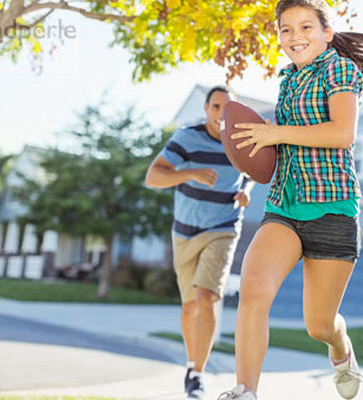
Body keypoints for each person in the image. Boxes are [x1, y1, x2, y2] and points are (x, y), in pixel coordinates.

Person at [216, 1, 363, 399]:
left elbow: (341, 134)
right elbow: (278, 146)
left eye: (305, 27)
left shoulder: (340, 69)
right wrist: (254, 148)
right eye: (285, 30)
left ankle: (341, 348)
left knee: (318, 325)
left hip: (332, 208)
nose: (294, 36)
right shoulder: (288, 80)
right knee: (253, 290)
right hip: (283, 206)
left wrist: (275, 133)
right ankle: (245, 390)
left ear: (326, 33)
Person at [144, 86, 254, 399]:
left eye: (227, 108)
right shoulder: (186, 138)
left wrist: (247, 191)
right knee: (190, 304)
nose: (222, 114)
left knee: (206, 296)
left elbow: (252, 171)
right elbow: (153, 177)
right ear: (206, 108)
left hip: (223, 226)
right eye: (216, 107)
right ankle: (192, 364)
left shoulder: (240, 139)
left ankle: (198, 374)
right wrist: (189, 173)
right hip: (184, 231)